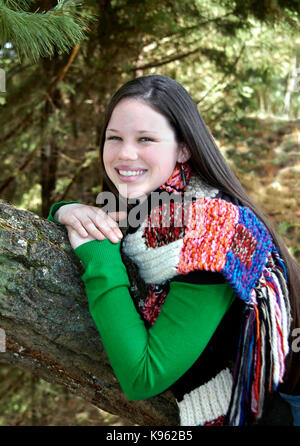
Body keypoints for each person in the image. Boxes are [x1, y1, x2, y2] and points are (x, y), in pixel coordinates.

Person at [47, 75, 300, 426]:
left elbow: (143, 377)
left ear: (183, 148)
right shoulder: (154, 205)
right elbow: (99, 218)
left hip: (279, 409)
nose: (125, 153)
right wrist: (66, 210)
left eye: (145, 139)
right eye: (114, 138)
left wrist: (99, 255)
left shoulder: (211, 233)